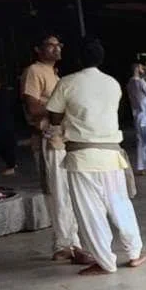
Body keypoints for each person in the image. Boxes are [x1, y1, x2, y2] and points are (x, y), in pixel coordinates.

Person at [45, 38, 146, 276]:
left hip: (81, 157)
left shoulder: (66, 83)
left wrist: (63, 122)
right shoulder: (112, 83)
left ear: (77, 59)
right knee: (120, 205)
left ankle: (105, 261)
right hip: (111, 154)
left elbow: (53, 115)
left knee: (90, 212)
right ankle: (134, 253)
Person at [21, 32, 91, 264]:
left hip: (62, 140)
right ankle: (67, 244)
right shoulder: (34, 71)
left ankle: (68, 242)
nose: (56, 48)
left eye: (58, 44)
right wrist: (62, 104)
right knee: (59, 193)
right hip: (49, 141)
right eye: (50, 45)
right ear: (38, 49)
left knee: (66, 193)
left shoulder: (54, 74)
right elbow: (33, 108)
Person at [0, 74, 17, 176]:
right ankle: (11, 164)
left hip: (5, 123)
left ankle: (11, 166)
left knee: (6, 144)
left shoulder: (4, 93)